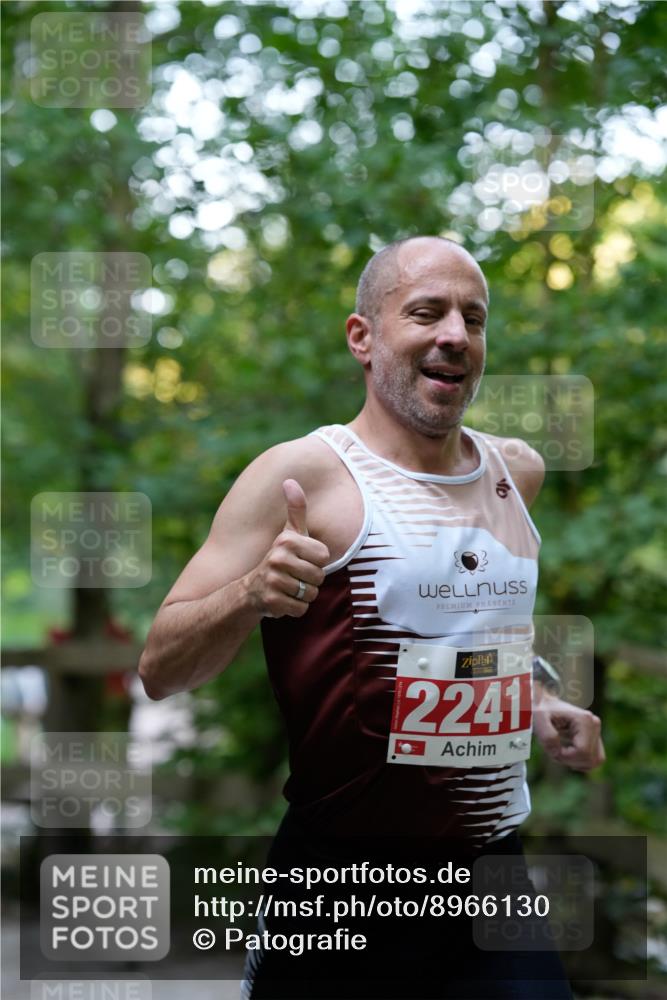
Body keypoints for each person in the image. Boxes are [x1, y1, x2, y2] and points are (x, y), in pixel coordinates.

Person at [139, 236, 605, 999]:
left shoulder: (516, 473)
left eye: (473, 318)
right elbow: (160, 669)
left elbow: (462, 645)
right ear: (362, 337)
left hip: (488, 870)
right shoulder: (303, 477)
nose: (455, 334)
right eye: (426, 312)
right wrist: (251, 591)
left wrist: (541, 704)